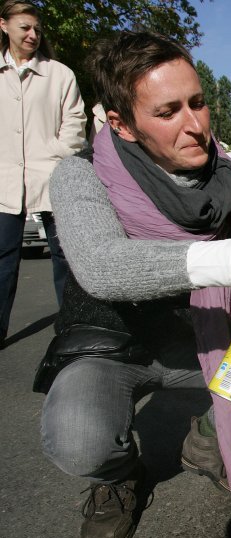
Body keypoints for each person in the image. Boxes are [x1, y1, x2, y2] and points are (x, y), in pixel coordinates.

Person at [40, 31, 231, 538]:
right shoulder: (79, 175)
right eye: (168, 111)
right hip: (114, 348)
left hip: (203, 344)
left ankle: (205, 435)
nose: (195, 125)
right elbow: (102, 267)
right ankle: (119, 477)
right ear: (122, 124)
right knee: (78, 437)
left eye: (198, 103)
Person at [0, 0, 86, 346]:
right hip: (4, 181)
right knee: (3, 260)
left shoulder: (60, 74)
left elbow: (75, 123)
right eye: (24, 27)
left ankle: (72, 326)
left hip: (52, 176)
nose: (32, 34)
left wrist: (56, 154)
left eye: (36, 28)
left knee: (65, 257)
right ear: (4, 26)